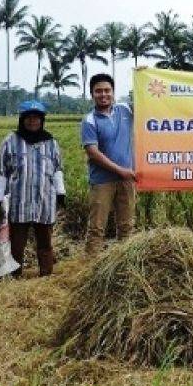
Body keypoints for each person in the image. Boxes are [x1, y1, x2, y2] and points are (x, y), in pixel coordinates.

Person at [0, 101, 66, 277]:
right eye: (29, 118)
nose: (33, 121)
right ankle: (15, 275)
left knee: (45, 242)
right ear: (22, 119)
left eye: (37, 118)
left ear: (42, 120)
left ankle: (46, 275)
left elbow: (57, 170)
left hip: (44, 200)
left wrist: (61, 192)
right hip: (19, 202)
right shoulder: (10, 141)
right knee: (17, 243)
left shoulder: (51, 143)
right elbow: (2, 172)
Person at [80, 73, 136, 254]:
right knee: (97, 228)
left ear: (113, 92)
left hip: (127, 179)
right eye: (98, 91)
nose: (103, 94)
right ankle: (91, 269)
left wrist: (144, 77)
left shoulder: (126, 109)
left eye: (107, 90)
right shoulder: (89, 120)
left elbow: (149, 103)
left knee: (127, 226)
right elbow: (93, 152)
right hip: (102, 181)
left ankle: (125, 266)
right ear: (92, 94)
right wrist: (120, 170)